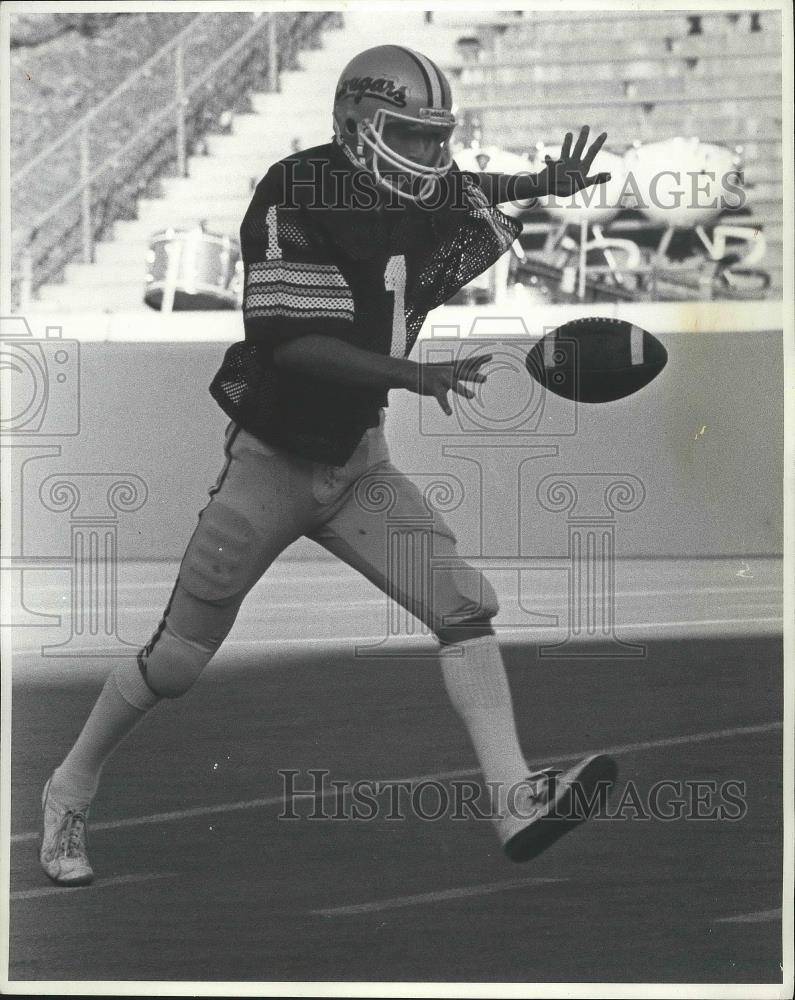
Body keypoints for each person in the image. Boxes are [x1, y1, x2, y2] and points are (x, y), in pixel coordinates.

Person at [40, 44, 616, 886]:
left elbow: (465, 189)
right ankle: (70, 784)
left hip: (358, 466)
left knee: (460, 606)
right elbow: (292, 340)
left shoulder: (406, 185)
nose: (428, 155)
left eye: (432, 136)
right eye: (410, 135)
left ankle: (512, 799)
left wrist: (541, 185)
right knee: (176, 662)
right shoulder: (297, 188)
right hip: (270, 465)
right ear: (356, 124)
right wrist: (412, 375)